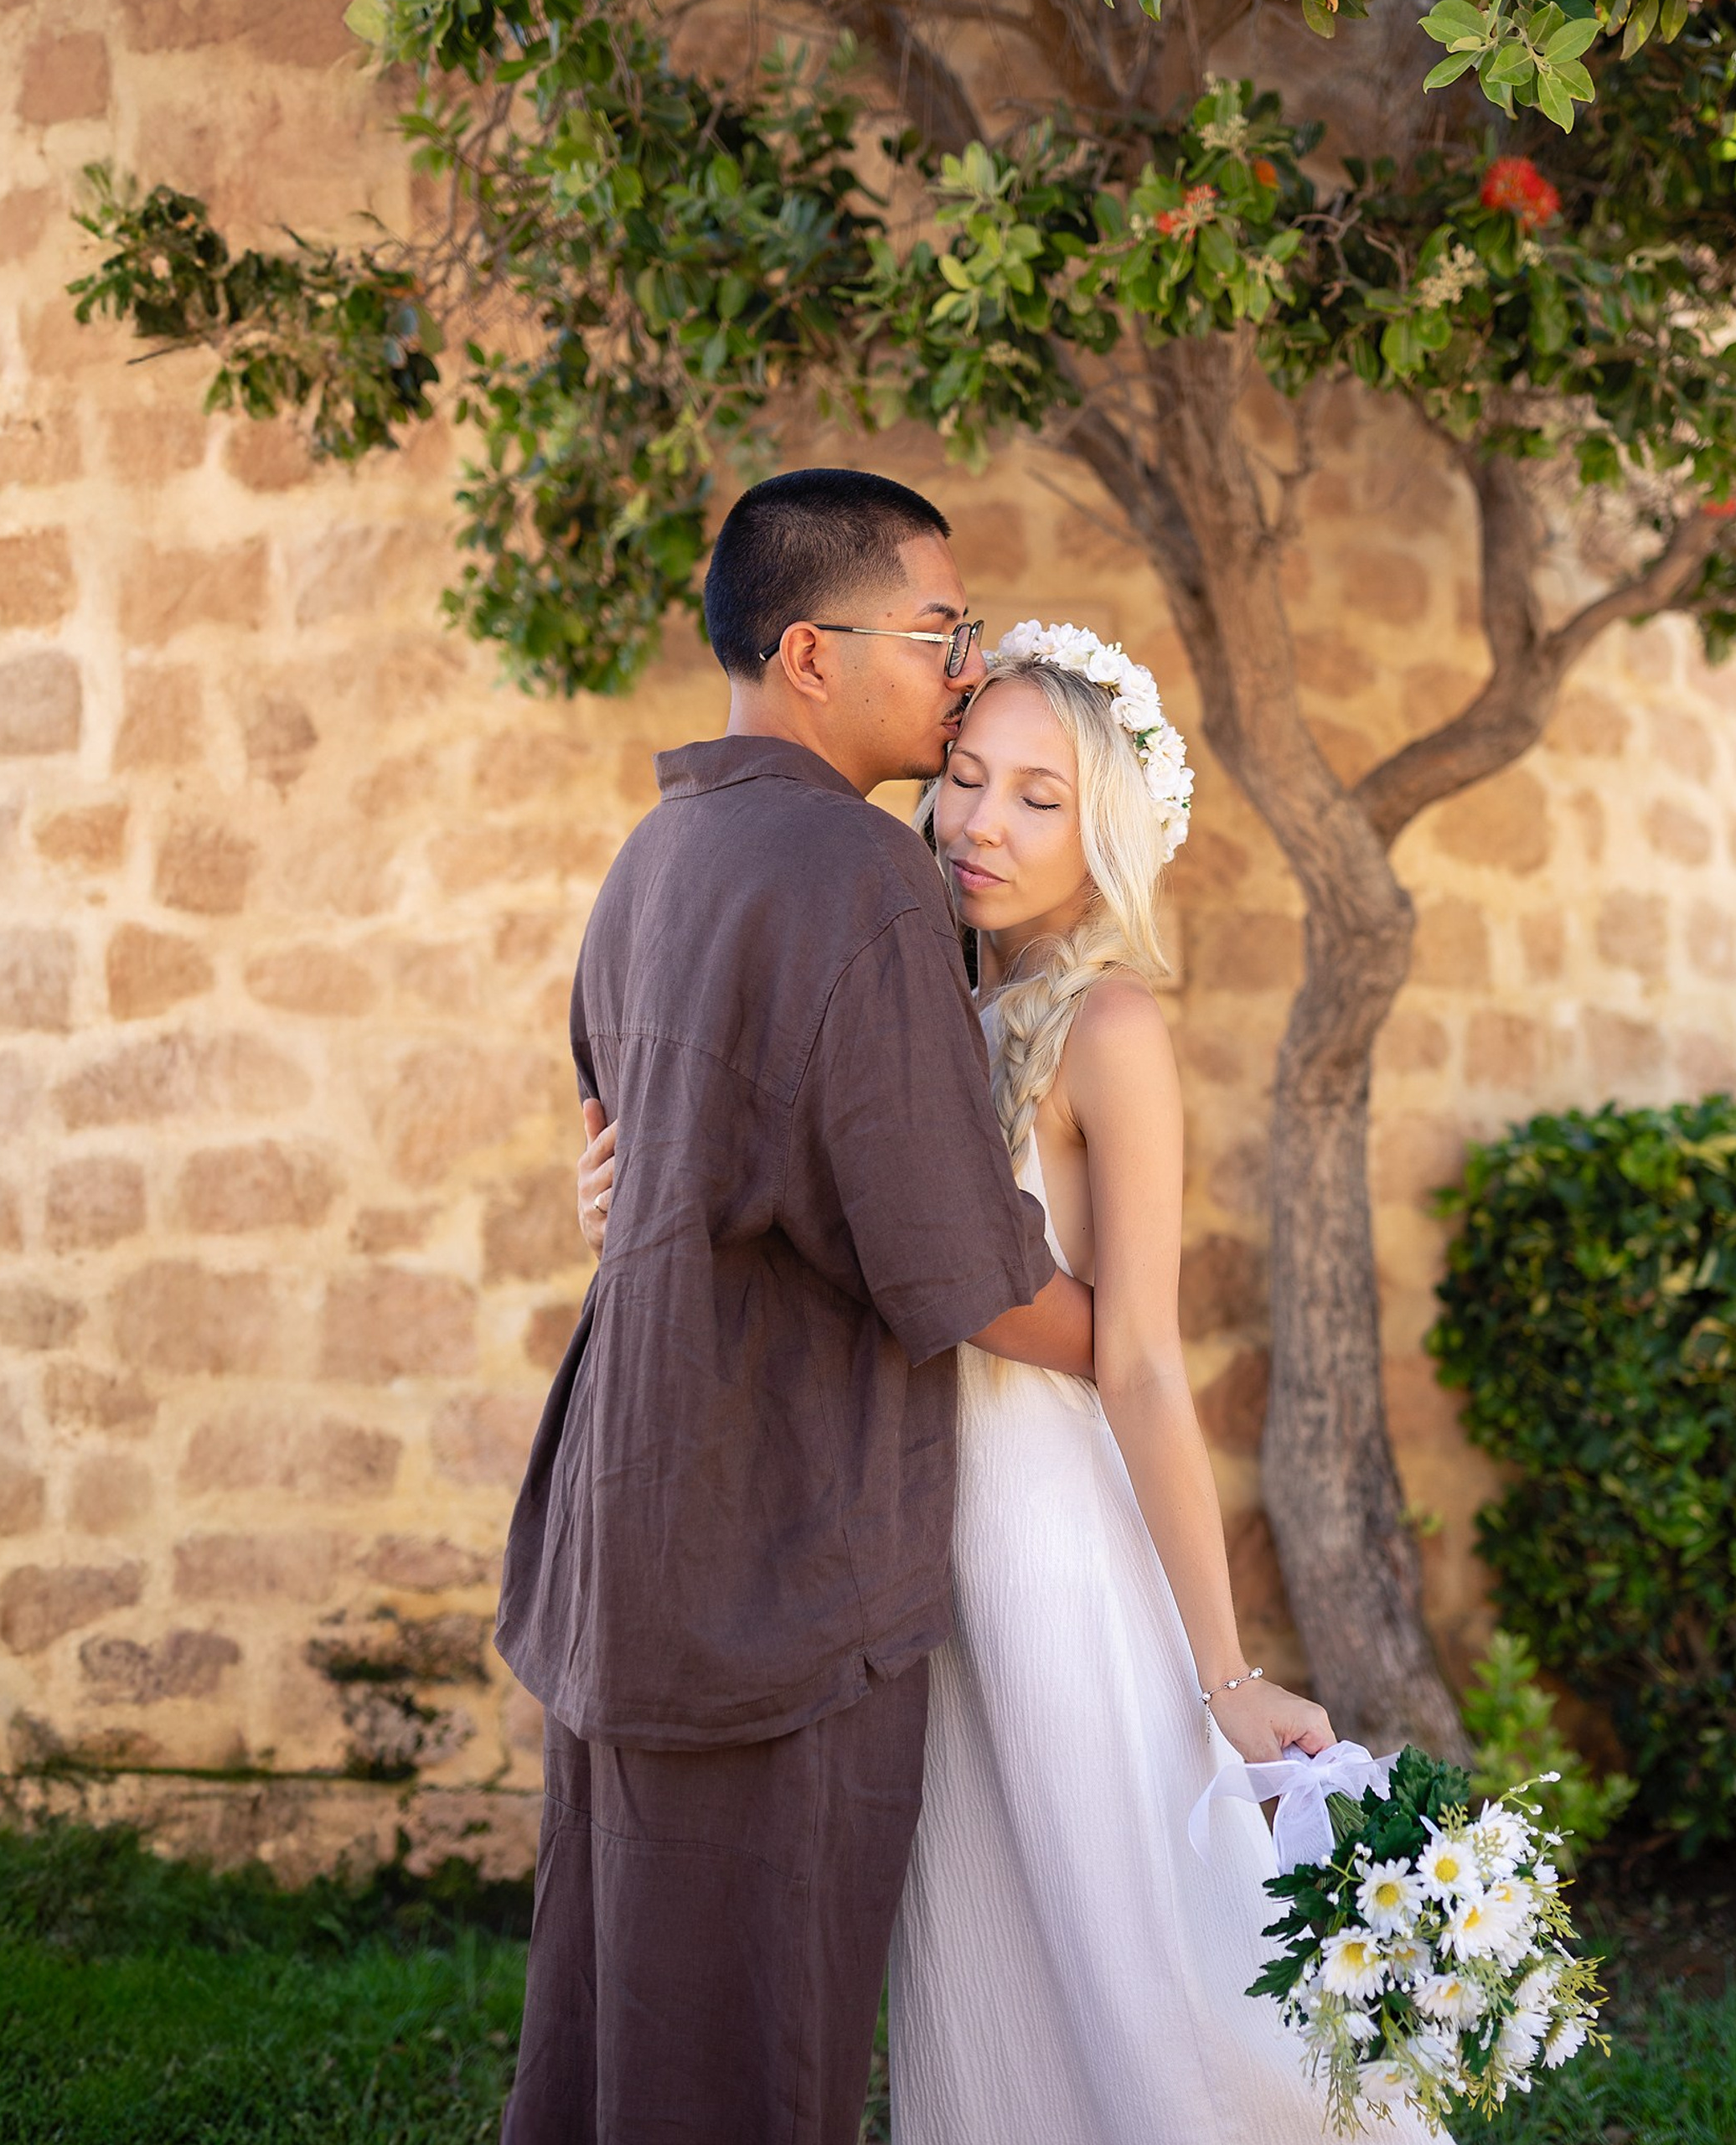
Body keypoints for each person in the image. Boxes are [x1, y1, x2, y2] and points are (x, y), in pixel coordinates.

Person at [576, 619, 1429, 2140]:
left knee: (1137, 1952)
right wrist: (635, 1193)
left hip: (1038, 1537)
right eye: (967, 776)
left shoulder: (1109, 1028)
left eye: (1040, 797)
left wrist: (1222, 1671)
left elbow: (1145, 1357)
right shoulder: (909, 992)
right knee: (981, 1963)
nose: (979, 822)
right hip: (902, 1524)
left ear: (1105, 831)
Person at [496, 469, 1099, 2145]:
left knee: (613, 2023)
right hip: (775, 1549)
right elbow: (947, 1256)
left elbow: (637, 1150)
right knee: (750, 2047)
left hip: (634, 1534)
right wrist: (1136, 1350)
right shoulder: (852, 871)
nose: (962, 669)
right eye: (935, 631)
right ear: (809, 651)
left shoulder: (658, 852)